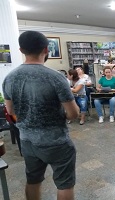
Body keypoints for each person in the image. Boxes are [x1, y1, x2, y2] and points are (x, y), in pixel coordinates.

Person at [2, 31, 78, 200]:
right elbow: (73, 113)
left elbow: (11, 111)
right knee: (64, 183)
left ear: (21, 50)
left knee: (33, 180)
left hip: (27, 140)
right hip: (56, 141)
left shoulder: (9, 78)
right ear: (46, 49)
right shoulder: (56, 78)